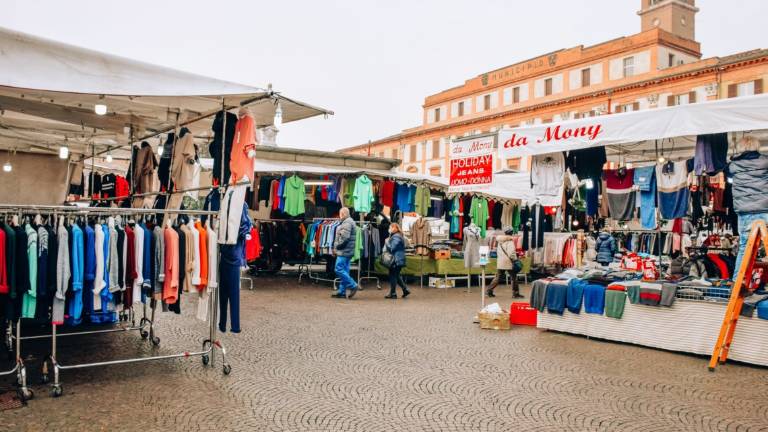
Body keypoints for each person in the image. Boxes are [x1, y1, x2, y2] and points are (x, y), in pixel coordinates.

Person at [727, 135, 768, 274]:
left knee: (745, 247)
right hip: (765, 208)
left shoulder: (733, 166)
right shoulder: (765, 161)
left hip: (744, 211)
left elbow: (730, 180)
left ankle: (737, 283)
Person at [332, 207, 359, 298]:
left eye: (340, 214)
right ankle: (342, 292)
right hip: (348, 251)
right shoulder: (349, 221)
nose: (339, 216)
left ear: (343, 214)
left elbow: (345, 238)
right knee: (345, 271)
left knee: (338, 268)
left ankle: (353, 285)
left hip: (343, 251)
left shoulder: (347, 222)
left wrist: (337, 247)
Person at [486, 233, 523, 298]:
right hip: (508, 262)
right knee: (514, 277)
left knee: (498, 277)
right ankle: (515, 293)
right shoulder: (509, 241)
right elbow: (511, 253)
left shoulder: (499, 241)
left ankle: (489, 290)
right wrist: (515, 259)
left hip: (501, 261)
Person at [384, 223, 410, 299]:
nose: (389, 229)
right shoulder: (398, 235)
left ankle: (393, 293)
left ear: (394, 228)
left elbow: (392, 248)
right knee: (396, 275)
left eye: (390, 228)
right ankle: (404, 290)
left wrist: (387, 242)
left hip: (396, 259)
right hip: (398, 258)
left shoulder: (396, 236)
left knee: (393, 275)